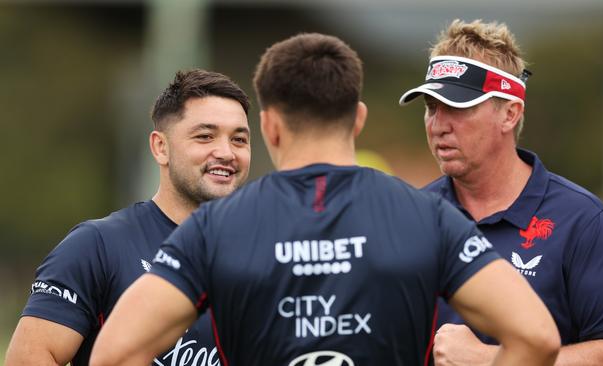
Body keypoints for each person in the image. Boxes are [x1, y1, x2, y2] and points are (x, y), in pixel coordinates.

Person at [89, 33, 559, 366]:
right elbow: (536, 336)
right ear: (357, 119)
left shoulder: (214, 229)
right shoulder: (429, 216)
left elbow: (114, 353)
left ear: (269, 126)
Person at [398, 19, 603, 365]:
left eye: (456, 106)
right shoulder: (410, 217)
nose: (439, 125)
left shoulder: (583, 221)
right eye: (431, 107)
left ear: (510, 114)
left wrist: (496, 360)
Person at [4, 69, 252, 366]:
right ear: (161, 147)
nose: (226, 152)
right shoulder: (97, 245)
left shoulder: (266, 253)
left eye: (239, 140)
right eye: (205, 136)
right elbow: (29, 358)